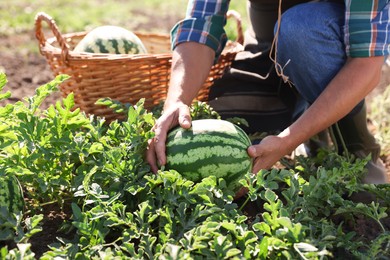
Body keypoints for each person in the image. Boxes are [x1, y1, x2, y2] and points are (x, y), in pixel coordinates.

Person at [146, 0, 389, 188]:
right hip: (267, 46)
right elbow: (201, 23)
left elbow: (365, 65)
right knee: (231, 113)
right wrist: (176, 101)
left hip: (324, 40)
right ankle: (311, 127)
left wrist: (287, 141)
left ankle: (357, 150)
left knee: (300, 30)